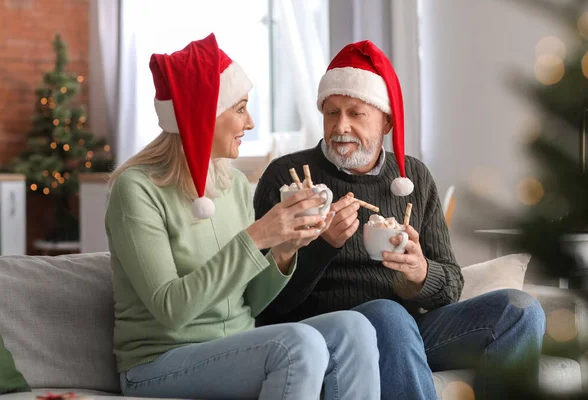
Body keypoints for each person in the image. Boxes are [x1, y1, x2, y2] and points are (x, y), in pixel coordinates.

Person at [254, 40, 546, 400]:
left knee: (519, 310)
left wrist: (420, 275)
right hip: (330, 334)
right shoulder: (289, 177)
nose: (340, 126)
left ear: (386, 120)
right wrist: (324, 246)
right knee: (387, 314)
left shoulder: (414, 178)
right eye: (332, 113)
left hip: (405, 330)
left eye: (355, 113)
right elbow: (266, 305)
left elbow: (451, 283)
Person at [105, 34, 381, 400]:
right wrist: (257, 237)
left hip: (235, 347)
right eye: (240, 108)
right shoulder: (136, 189)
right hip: (158, 363)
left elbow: (249, 301)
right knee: (296, 344)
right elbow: (171, 310)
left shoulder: (232, 183)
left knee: (355, 327)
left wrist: (284, 249)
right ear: (203, 116)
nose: (249, 122)